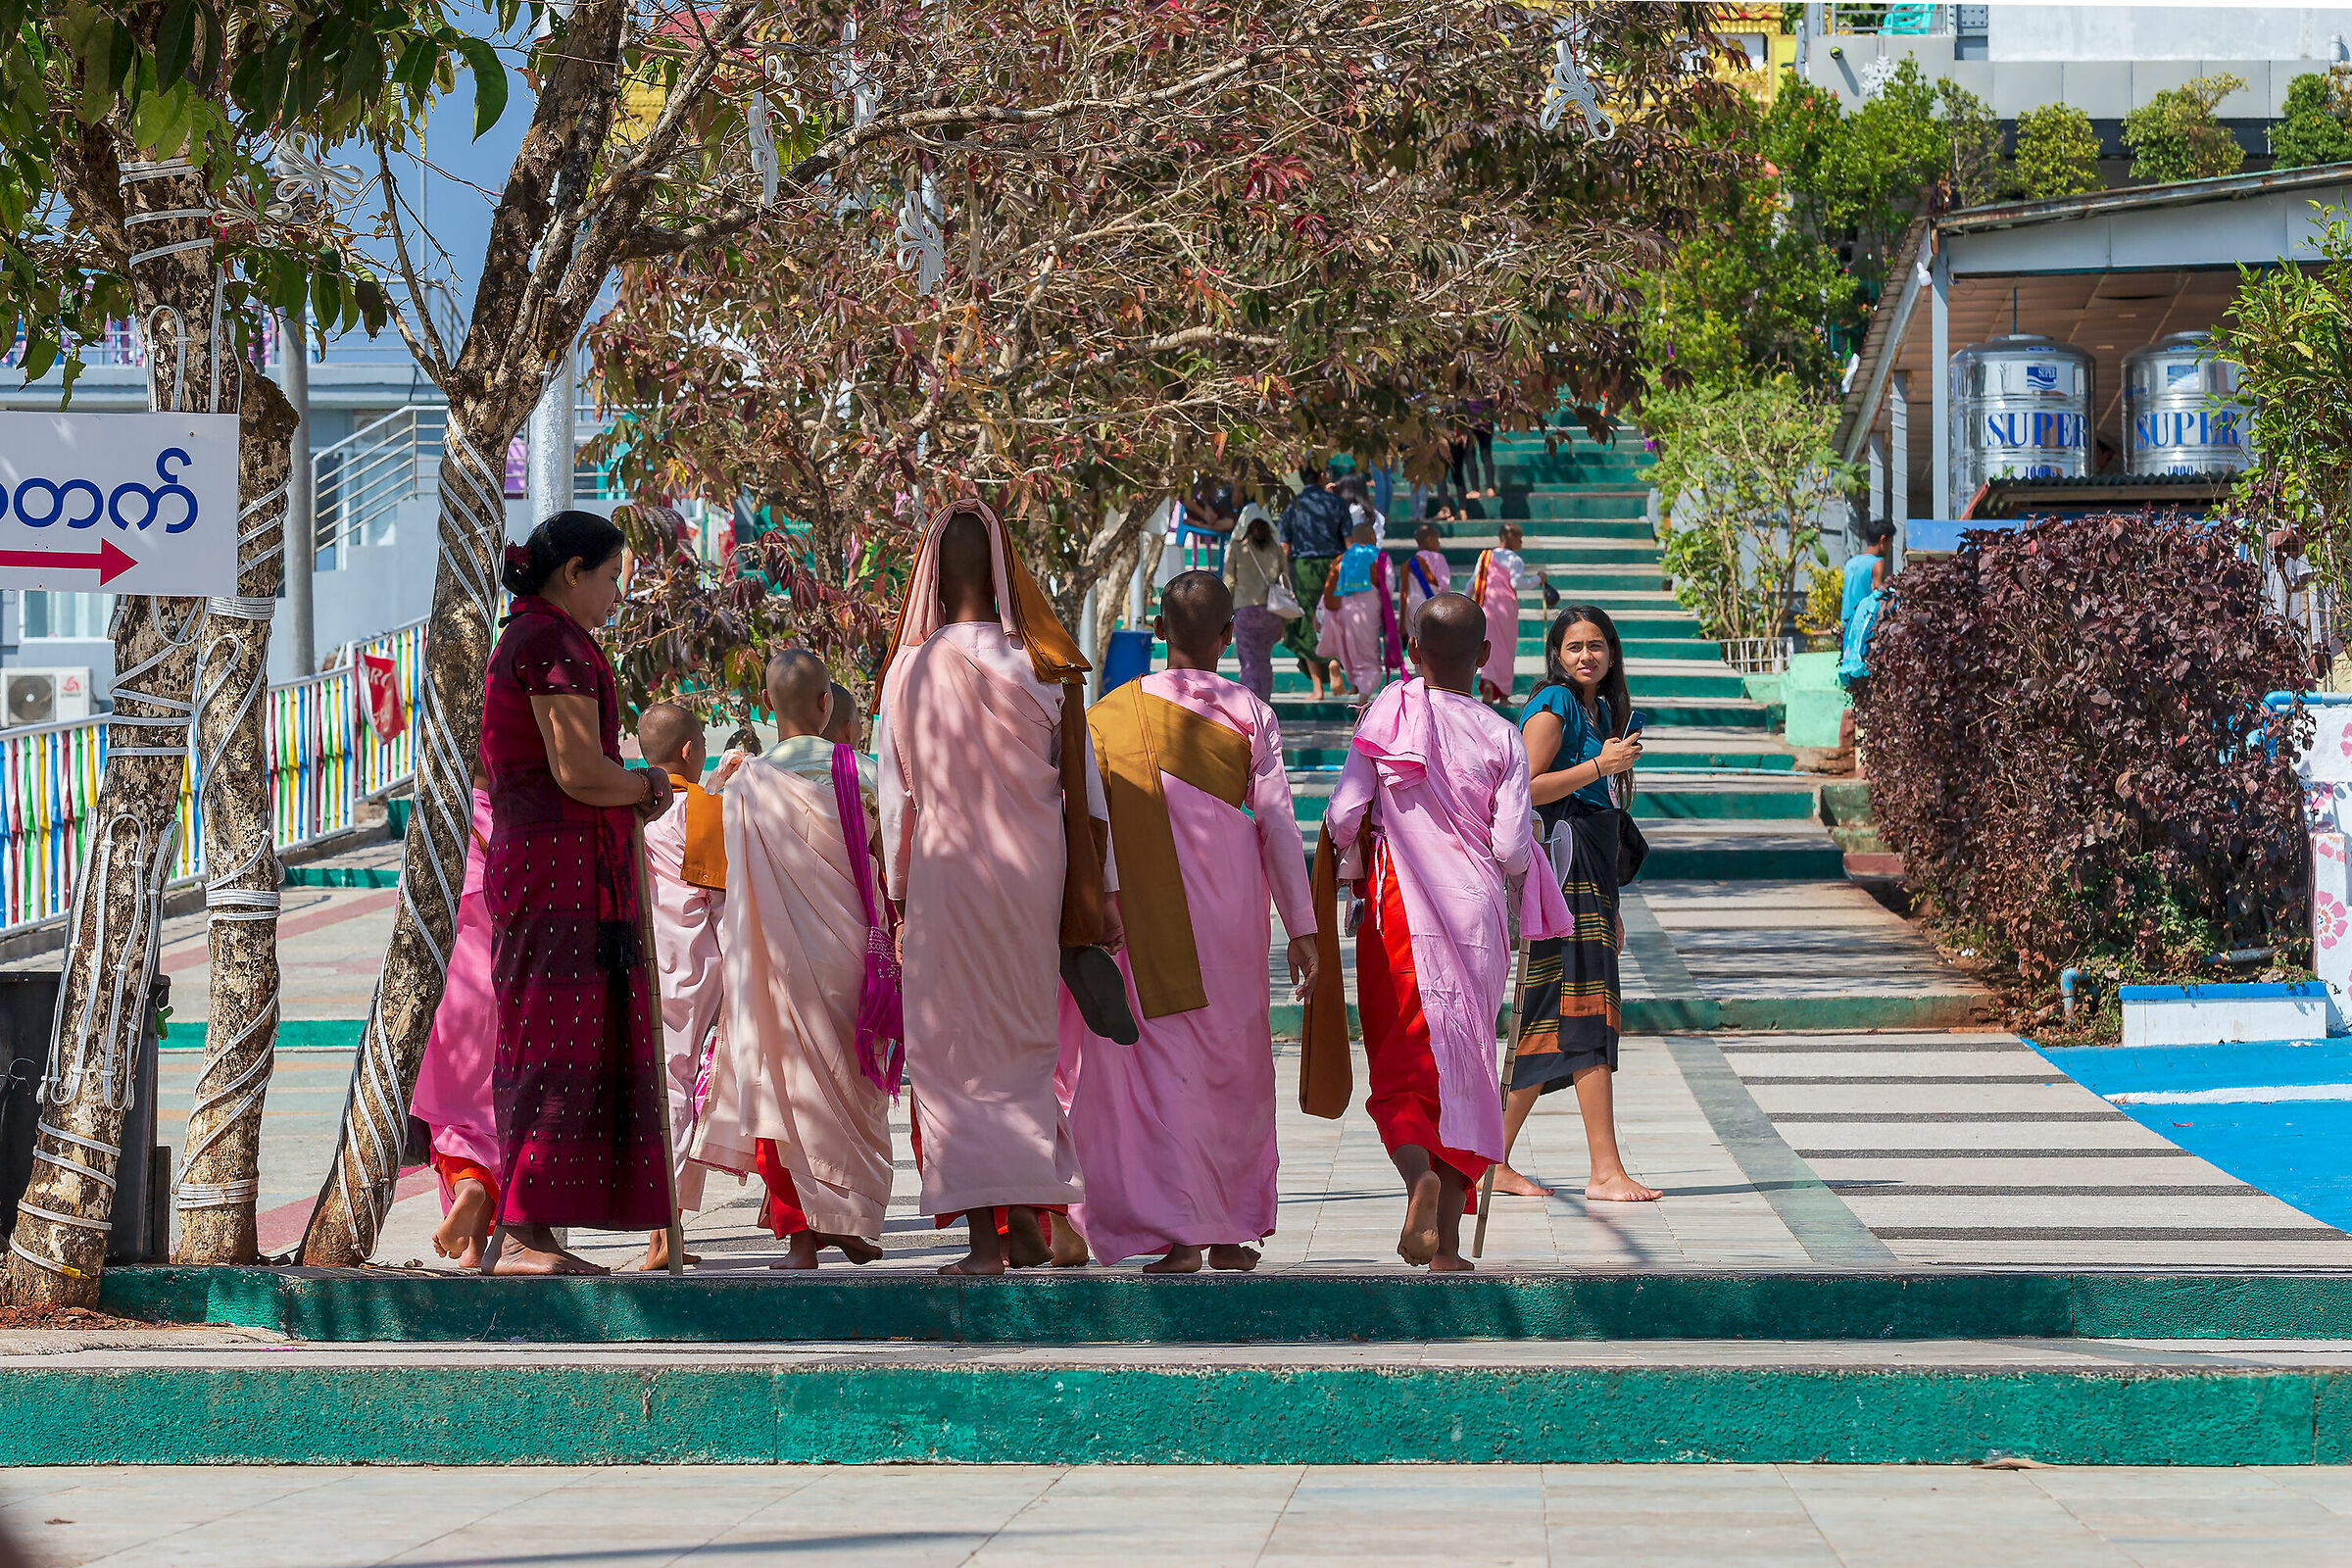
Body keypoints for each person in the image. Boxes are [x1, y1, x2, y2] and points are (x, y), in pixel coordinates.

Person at [878, 499, 1122, 1276]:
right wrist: (1105, 892)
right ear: (1004, 568)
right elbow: (1087, 797)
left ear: (930, 576)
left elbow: (897, 802)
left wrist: (899, 898)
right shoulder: (1046, 666)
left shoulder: (908, 671)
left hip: (947, 876)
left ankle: (989, 1245)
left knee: (955, 1054)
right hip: (1031, 877)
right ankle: (1026, 1217)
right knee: (1022, 1045)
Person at [1056, 571, 1318, 1271]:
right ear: (1229, 635)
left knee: (1161, 1072)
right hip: (1230, 921)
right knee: (1232, 1065)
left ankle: (1180, 1234)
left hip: (1138, 918)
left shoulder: (1111, 713)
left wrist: (1100, 902)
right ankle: (1229, 1231)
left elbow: (1087, 825)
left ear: (1160, 630)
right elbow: (1278, 825)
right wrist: (1302, 927)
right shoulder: (1251, 713)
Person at [1315, 593, 1571, 1271]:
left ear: (1414, 655)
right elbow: (1514, 847)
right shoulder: (1501, 735)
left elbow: (1345, 813)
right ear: (1485, 657)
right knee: (1465, 1071)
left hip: (1397, 913)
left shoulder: (1386, 714)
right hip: (1476, 920)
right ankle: (1449, 1253)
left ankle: (1417, 1179)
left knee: (1401, 1070)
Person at [479, 511, 677, 1276]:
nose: (615, 596)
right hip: (554, 869)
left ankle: (533, 1233)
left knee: (565, 1040)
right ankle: (527, 1238)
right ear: (573, 573)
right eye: (611, 578)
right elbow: (578, 771)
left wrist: (630, 786)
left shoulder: (543, 638)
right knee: (549, 1042)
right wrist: (645, 783)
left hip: (565, 867)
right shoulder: (547, 643)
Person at [690, 650, 895, 1269]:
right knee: (853, 1081)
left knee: (780, 1086)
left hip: (776, 962)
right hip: (851, 953)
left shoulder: (742, 782)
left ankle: (804, 1240)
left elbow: (726, 878)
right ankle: (854, 1220)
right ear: (826, 706)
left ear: (767, 710)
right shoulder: (862, 773)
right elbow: (888, 853)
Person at [1491, 606, 1662, 1204]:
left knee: (1559, 1015)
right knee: (1576, 1011)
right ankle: (1603, 1169)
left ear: (1612, 654)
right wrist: (1599, 765)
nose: (1586, 656)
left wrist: (1612, 905)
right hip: (1562, 876)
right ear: (1556, 656)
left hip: (1589, 876)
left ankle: (1494, 1160)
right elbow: (1520, 787)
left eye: (1596, 645)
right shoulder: (1555, 704)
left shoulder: (1599, 710)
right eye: (1574, 647)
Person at [634, 701, 743, 1270]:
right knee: (677, 1091)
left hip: (643, 962)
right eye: (701, 743)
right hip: (695, 969)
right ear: (687, 751)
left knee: (658, 1087)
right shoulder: (701, 809)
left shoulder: (632, 809)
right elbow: (721, 904)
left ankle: (660, 1228)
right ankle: (664, 1231)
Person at [408, 769, 499, 1269]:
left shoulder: (439, 824)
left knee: (451, 1119)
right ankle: (486, 1227)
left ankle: (468, 1198)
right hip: (503, 985)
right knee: (496, 1116)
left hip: (450, 989)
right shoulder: (509, 820)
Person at [1277, 463, 1351, 700]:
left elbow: (1284, 546)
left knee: (1307, 624)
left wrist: (1283, 577)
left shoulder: (1292, 504)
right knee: (1337, 620)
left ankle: (1318, 688)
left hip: (1303, 568)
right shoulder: (1337, 503)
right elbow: (1349, 543)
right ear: (1321, 476)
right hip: (1335, 565)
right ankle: (1333, 661)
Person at [1317, 518, 1400, 702]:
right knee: (1369, 654)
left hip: (1345, 610)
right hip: (1368, 609)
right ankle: (1363, 696)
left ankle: (1349, 678)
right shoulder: (1380, 557)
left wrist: (1321, 611)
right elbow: (1389, 584)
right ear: (1372, 536)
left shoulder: (1344, 557)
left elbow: (1330, 585)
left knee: (1351, 647)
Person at [1834, 520, 1894, 766]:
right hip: (1864, 632)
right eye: (1889, 542)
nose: (1889, 547)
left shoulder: (1851, 563)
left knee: (1853, 690)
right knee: (1871, 691)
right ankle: (1865, 760)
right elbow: (1877, 594)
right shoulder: (1876, 564)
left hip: (1846, 631)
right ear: (1882, 540)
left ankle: (1847, 753)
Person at [1468, 523, 1545, 705]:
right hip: (1506, 610)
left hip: (1487, 606)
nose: (1521, 542)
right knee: (1506, 650)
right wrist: (1538, 579)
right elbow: (1517, 582)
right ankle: (1503, 696)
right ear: (1510, 538)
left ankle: (1487, 683)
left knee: (1489, 646)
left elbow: (1473, 581)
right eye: (1519, 538)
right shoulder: (1515, 559)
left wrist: (1465, 599)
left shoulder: (1485, 556)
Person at [1223, 506, 1288, 703]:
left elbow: (1229, 582)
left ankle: (1251, 704)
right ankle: (1264, 702)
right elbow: (1284, 578)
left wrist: (1225, 611)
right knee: (1263, 661)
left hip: (1245, 613)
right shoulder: (1276, 549)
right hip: (1271, 613)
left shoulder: (1236, 548)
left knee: (1249, 662)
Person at [1403, 523, 1452, 636]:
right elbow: (1444, 586)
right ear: (1429, 540)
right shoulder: (1438, 558)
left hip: (1413, 608)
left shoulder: (1408, 564)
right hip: (1433, 607)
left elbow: (1404, 591)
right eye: (1437, 540)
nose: (1439, 543)